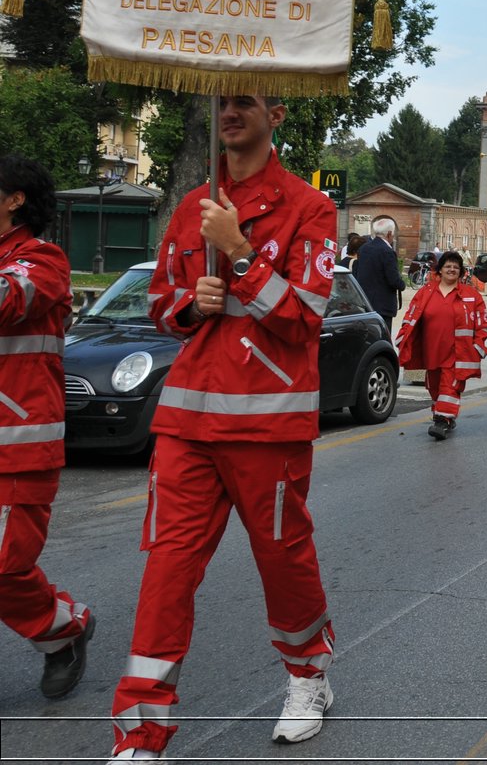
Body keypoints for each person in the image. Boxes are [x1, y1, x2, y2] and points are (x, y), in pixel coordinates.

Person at [112, 96, 337, 760]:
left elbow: (303, 318)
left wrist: (240, 253)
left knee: (282, 560)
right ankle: (139, 732)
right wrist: (188, 303)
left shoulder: (309, 207)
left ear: (278, 112)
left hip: (269, 425)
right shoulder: (191, 206)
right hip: (186, 419)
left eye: (245, 102)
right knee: (166, 572)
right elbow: (159, 303)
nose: (230, 113)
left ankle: (308, 676)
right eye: (224, 103)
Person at [0, 156, 93, 702]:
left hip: (17, 449)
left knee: (5, 566)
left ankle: (64, 629)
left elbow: (7, 301)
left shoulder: (43, 261)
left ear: (15, 199)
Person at [396, 251, 487, 441]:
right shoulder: (426, 291)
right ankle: (443, 413)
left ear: (461, 272)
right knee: (435, 388)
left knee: (450, 386)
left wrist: (477, 346)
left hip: (458, 353)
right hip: (431, 350)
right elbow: (411, 315)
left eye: (456, 267)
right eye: (448, 266)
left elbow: (482, 324)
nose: (452, 269)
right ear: (440, 270)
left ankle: (442, 421)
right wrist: (403, 335)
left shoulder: (471, 295)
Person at [352, 218, 405, 335]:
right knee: (383, 338)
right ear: (389, 234)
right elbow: (393, 280)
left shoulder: (363, 248)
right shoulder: (387, 251)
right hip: (383, 305)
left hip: (366, 303)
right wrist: (402, 284)